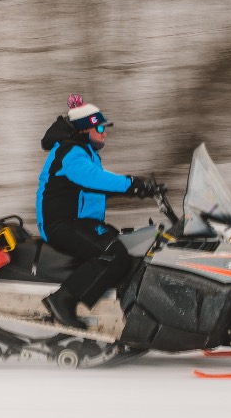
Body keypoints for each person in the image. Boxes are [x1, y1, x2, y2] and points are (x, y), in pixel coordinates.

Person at [36, 95, 159, 330]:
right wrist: (132, 183)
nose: (104, 133)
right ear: (84, 130)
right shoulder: (70, 152)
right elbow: (93, 180)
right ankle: (62, 300)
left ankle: (121, 308)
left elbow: (93, 188)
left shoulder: (84, 152)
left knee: (126, 243)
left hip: (78, 221)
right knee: (113, 254)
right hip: (61, 224)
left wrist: (138, 190)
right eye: (100, 128)